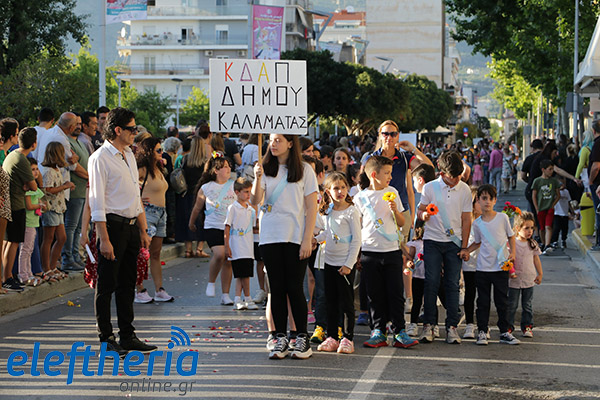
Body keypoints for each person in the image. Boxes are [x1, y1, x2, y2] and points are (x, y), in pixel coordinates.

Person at [88, 107, 156, 355]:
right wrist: (104, 239)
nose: (134, 132)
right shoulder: (100, 158)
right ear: (117, 130)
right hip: (111, 226)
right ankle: (106, 338)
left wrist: (143, 229)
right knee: (107, 285)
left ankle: (128, 335)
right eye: (131, 128)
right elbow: (97, 202)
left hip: (130, 226)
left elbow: (135, 196)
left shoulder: (128, 154)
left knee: (128, 283)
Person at [251, 134, 318, 360]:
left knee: (294, 287)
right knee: (276, 289)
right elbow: (255, 201)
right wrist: (256, 177)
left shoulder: (305, 170)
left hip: (295, 236)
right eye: (271, 140)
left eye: (279, 140)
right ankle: (279, 337)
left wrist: (307, 238)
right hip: (270, 236)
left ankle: (301, 337)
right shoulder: (264, 169)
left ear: (290, 143)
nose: (274, 144)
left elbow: (311, 206)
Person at [354, 156, 417, 349]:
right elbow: (357, 226)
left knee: (395, 292)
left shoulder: (392, 192)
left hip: (391, 251)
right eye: (387, 173)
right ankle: (378, 330)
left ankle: (399, 331)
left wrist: (395, 211)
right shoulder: (360, 198)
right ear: (374, 175)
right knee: (374, 294)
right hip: (370, 251)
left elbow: (402, 222)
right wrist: (357, 254)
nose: (390, 177)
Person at [418, 150, 472, 344]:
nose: (457, 180)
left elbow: (467, 219)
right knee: (431, 282)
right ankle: (429, 325)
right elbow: (420, 210)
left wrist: (464, 247)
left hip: (454, 243)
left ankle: (452, 327)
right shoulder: (430, 188)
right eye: (453, 177)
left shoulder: (464, 189)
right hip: (432, 240)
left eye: (459, 176)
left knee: (452, 284)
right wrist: (424, 216)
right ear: (442, 174)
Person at [465, 184, 520, 345]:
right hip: (482, 268)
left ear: (495, 200)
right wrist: (466, 250)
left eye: (490, 198)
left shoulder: (502, 218)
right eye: (484, 198)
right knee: (482, 302)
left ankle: (504, 331)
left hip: (500, 267)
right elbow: (478, 242)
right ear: (478, 200)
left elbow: (511, 236)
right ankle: (482, 331)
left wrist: (513, 253)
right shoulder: (477, 224)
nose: (487, 202)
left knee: (502, 301)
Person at [313, 172, 361, 354]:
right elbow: (328, 232)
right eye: (336, 188)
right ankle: (332, 336)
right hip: (329, 263)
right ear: (328, 191)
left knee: (346, 303)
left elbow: (357, 240)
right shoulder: (329, 211)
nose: (340, 191)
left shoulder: (351, 211)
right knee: (331, 301)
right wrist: (316, 240)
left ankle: (347, 338)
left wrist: (349, 264)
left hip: (344, 265)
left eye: (343, 187)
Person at [189, 152, 236, 305]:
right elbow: (197, 207)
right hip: (213, 226)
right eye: (225, 167)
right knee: (219, 254)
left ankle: (225, 294)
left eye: (229, 166)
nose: (228, 169)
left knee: (228, 259)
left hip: (231, 228)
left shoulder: (235, 185)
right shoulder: (206, 187)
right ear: (216, 170)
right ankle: (211, 281)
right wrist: (191, 222)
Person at [134, 137, 174, 303]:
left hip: (161, 213)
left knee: (156, 253)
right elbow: (130, 184)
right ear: (149, 152)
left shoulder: (158, 168)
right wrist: (137, 199)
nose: (161, 153)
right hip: (148, 212)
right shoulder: (142, 169)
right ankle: (139, 289)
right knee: (143, 253)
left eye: (161, 149)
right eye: (158, 150)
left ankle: (159, 289)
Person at [2, 127, 38, 291]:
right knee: (14, 242)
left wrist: (28, 184)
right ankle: (8, 277)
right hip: (16, 204)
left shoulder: (12, 154)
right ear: (34, 144)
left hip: (10, 203)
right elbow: (34, 186)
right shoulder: (22, 159)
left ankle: (6, 275)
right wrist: (29, 185)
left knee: (8, 242)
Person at [175, 123, 212, 258]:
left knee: (187, 219)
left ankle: (188, 250)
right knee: (201, 220)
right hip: (201, 194)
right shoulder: (206, 162)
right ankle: (199, 249)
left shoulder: (185, 159)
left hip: (186, 194)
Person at [40, 142, 75, 280]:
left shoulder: (56, 170)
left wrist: (66, 185)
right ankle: (46, 268)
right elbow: (47, 190)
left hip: (59, 207)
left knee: (62, 237)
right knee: (48, 238)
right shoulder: (48, 171)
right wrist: (64, 186)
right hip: (51, 208)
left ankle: (53, 266)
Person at [224, 178, 259, 311]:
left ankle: (239, 298)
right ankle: (246, 298)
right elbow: (227, 227)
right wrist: (227, 246)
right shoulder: (232, 208)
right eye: (245, 192)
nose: (248, 195)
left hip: (248, 247)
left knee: (245, 273)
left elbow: (253, 227)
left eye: (249, 192)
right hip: (237, 246)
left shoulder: (251, 210)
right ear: (237, 192)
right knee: (241, 274)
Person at [62, 113, 90, 271]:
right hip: (74, 191)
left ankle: (75, 256)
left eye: (80, 124)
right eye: (75, 124)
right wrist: (90, 177)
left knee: (79, 227)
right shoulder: (67, 142)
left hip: (83, 191)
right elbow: (75, 167)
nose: (78, 126)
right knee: (71, 226)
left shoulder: (79, 142)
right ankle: (67, 259)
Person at [18, 158, 46, 286]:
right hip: (28, 222)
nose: (36, 172)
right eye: (32, 170)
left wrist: (41, 205)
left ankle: (29, 273)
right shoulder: (28, 188)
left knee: (29, 249)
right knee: (25, 249)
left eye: (36, 169)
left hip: (34, 222)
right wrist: (40, 205)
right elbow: (29, 206)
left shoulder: (35, 187)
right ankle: (23, 275)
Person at [531, 160, 561, 253]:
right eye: (549, 169)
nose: (551, 171)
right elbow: (534, 195)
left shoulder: (554, 181)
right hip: (540, 207)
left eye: (552, 169)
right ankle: (544, 243)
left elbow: (558, 195)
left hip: (549, 208)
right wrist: (536, 208)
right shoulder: (537, 181)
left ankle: (547, 244)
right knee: (542, 228)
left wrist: (553, 204)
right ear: (543, 170)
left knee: (548, 226)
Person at [550, 180, 571, 250]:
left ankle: (563, 240)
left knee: (565, 228)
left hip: (565, 213)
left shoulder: (566, 192)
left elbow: (569, 202)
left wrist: (571, 212)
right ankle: (555, 241)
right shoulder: (555, 192)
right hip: (557, 212)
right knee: (556, 228)